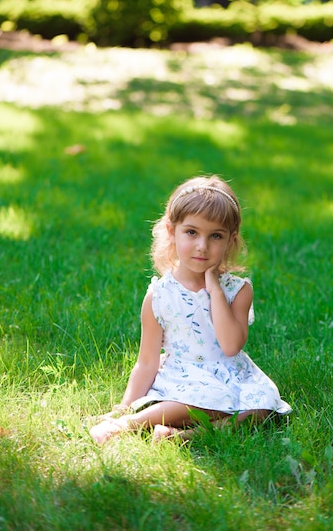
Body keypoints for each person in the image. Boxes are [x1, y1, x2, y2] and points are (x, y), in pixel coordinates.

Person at [90, 175, 292, 444]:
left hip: (231, 376)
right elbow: (147, 361)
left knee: (263, 410)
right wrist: (125, 405)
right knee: (199, 404)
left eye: (215, 236)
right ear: (172, 230)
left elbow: (231, 346)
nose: (202, 246)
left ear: (231, 240)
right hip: (185, 380)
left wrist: (215, 292)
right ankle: (127, 423)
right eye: (192, 232)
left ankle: (182, 436)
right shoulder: (160, 295)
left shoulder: (238, 291)